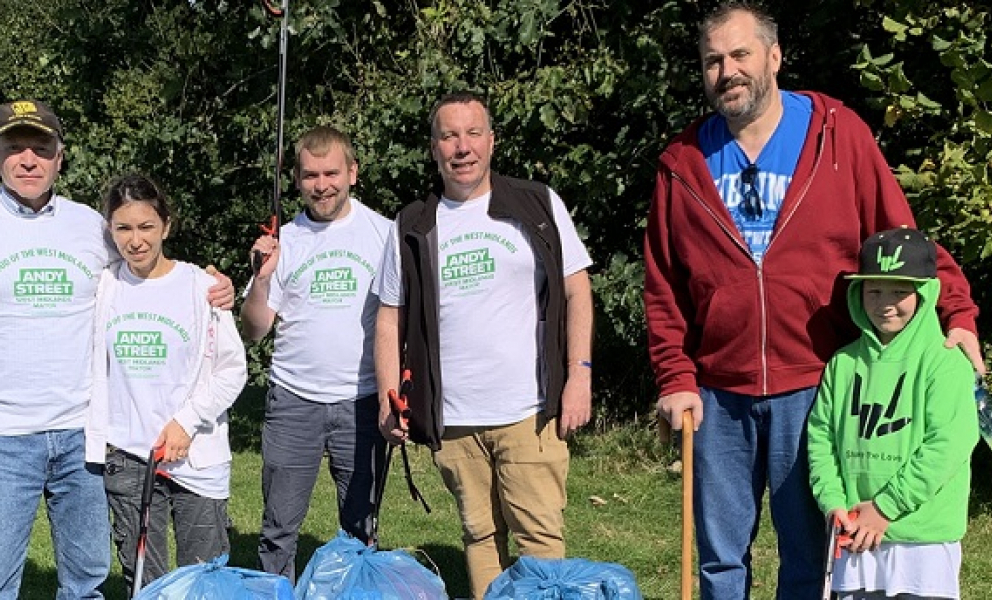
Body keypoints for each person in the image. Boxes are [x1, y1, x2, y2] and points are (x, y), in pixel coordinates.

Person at [641, 5, 983, 599]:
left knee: (808, 553)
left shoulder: (835, 134)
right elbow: (663, 286)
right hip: (719, 394)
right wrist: (675, 376)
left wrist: (956, 312)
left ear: (774, 57)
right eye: (713, 60)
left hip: (817, 382)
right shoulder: (683, 163)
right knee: (721, 560)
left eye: (740, 54)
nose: (728, 71)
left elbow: (900, 231)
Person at [0, 100, 234, 599]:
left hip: (81, 437)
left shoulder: (89, 225)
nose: (27, 159)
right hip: (6, 437)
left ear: (60, 157)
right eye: (13, 146)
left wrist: (215, 286)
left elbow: (147, 262)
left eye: (40, 148)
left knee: (87, 577)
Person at [374, 92, 594, 600]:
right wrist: (390, 395)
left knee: (539, 539)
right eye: (449, 136)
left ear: (491, 141)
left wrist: (579, 373)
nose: (462, 147)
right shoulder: (411, 224)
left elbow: (576, 286)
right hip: (453, 419)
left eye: (473, 133)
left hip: (529, 411)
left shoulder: (536, 203)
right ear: (434, 148)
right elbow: (391, 315)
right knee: (479, 535)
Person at [84, 174, 248, 592]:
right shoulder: (104, 286)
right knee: (144, 582)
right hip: (128, 457)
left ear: (166, 226)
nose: (135, 240)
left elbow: (233, 369)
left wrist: (186, 421)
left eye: (146, 227)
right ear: (110, 231)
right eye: (123, 228)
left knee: (204, 579)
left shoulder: (202, 287)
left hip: (196, 456)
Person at [241, 125, 390, 580]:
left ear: (353, 173)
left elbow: (401, 321)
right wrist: (262, 278)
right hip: (293, 400)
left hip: (363, 400)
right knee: (278, 529)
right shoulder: (283, 240)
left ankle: (355, 590)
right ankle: (276, 591)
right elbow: (253, 331)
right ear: (298, 180)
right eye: (309, 176)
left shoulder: (384, 234)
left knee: (361, 528)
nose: (321, 185)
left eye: (330, 173)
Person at [808, 227, 977, 600]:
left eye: (900, 292)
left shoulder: (945, 362)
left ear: (926, 293)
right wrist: (833, 502)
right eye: (874, 291)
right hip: (856, 531)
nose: (886, 302)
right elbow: (821, 438)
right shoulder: (843, 363)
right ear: (858, 293)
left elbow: (949, 444)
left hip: (922, 539)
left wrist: (885, 508)